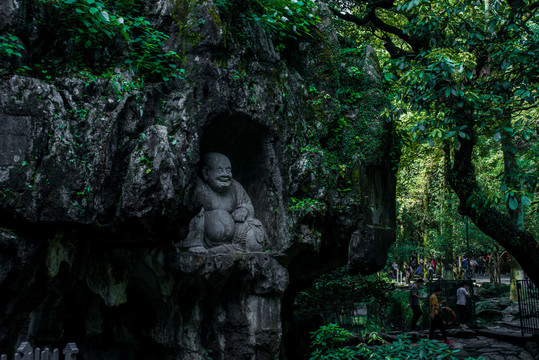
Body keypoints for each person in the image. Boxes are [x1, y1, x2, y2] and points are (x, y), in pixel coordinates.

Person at [182, 152, 266, 252]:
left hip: (234, 240)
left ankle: (228, 249)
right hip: (204, 239)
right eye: (220, 170)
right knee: (195, 213)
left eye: (228, 170)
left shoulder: (235, 187)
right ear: (206, 172)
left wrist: (244, 210)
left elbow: (247, 204)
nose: (225, 175)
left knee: (255, 228)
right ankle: (195, 245)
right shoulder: (198, 186)